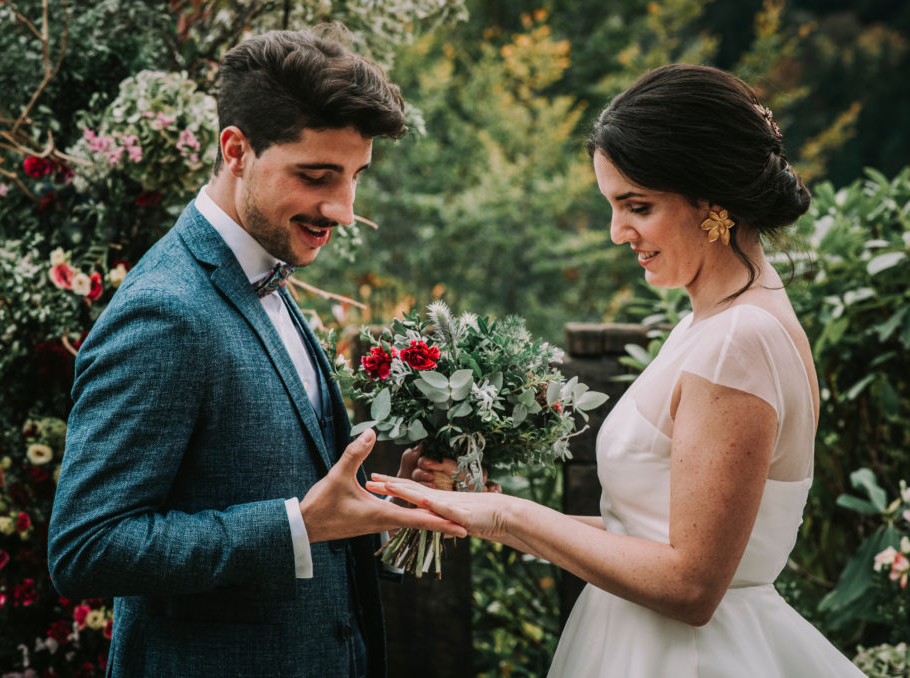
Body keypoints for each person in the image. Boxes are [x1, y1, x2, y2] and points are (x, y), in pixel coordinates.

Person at [368, 64, 867, 677]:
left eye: (638, 206)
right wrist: (481, 514)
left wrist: (509, 516)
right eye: (613, 206)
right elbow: (652, 533)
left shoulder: (742, 338)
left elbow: (690, 586)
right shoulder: (716, 323)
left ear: (713, 198)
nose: (616, 232)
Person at [47, 25, 465, 678]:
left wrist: (389, 508)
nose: (344, 209)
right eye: (316, 175)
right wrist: (294, 525)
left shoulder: (266, 271)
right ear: (236, 149)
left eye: (355, 176)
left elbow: (298, 503)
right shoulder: (166, 311)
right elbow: (87, 548)